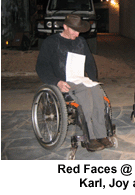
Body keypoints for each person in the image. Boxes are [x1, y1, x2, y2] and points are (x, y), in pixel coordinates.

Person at [36, 14, 112, 151]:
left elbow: (89, 62)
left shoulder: (81, 41)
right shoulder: (51, 42)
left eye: (79, 31)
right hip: (64, 82)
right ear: (65, 26)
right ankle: (90, 137)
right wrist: (56, 82)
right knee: (86, 93)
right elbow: (41, 66)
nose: (77, 34)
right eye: (74, 30)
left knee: (97, 92)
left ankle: (101, 134)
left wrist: (93, 80)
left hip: (80, 79)